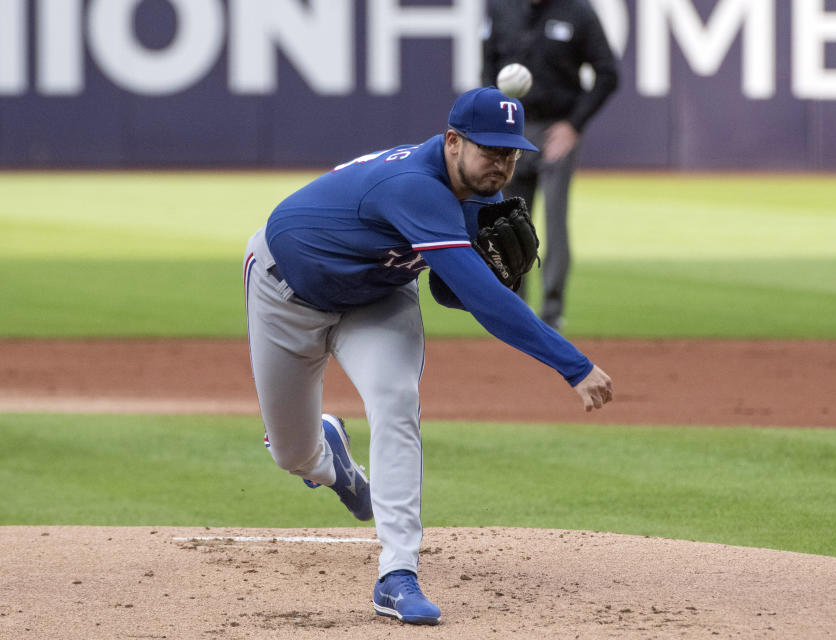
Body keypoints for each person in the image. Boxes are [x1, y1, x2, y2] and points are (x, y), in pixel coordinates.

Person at [242, 86, 614, 626]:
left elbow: (444, 290)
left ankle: (398, 575)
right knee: (292, 456)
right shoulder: (414, 186)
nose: (502, 165)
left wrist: (478, 270)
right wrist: (573, 364)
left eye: (510, 154)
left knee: (396, 401)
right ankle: (329, 459)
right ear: (453, 142)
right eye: (490, 151)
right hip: (285, 293)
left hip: (376, 298)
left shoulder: (481, 197)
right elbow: (485, 301)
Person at [483, 0, 619, 330]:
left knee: (554, 220)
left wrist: (574, 124)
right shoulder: (502, 9)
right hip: (512, 130)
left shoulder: (578, 11)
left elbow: (608, 73)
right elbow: (488, 66)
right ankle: (512, 311)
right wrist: (494, 121)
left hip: (556, 129)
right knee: (509, 223)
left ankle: (552, 312)